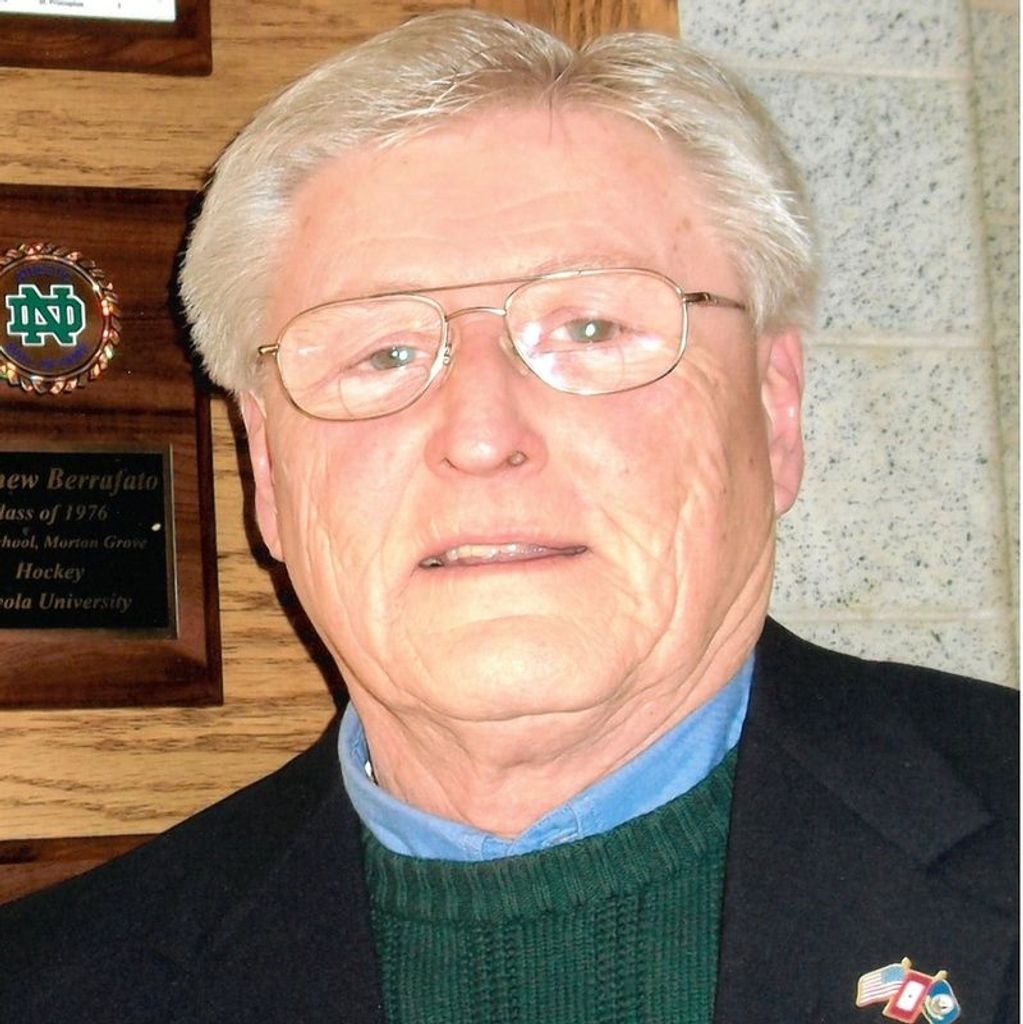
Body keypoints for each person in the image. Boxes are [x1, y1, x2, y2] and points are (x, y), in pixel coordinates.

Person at [1, 10, 1016, 1023]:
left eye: (590, 328)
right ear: (267, 466)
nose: (482, 435)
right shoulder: (52, 987)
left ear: (773, 409)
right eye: (382, 354)